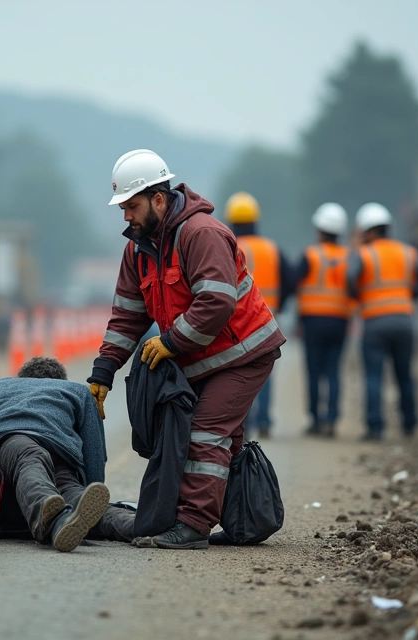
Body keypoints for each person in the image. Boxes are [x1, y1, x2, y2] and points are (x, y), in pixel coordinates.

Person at [88, 149, 286, 550]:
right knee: (222, 441)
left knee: (205, 436)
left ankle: (192, 527)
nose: (126, 216)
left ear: (158, 199)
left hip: (242, 353)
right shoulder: (139, 250)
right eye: (122, 207)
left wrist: (171, 341)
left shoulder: (201, 233)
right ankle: (242, 520)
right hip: (204, 359)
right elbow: (127, 316)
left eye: (131, 206)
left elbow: (217, 301)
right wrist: (103, 372)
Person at [0, 357, 135, 551]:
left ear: (21, 378)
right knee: (63, 484)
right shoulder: (78, 391)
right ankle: (143, 526)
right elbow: (95, 453)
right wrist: (92, 485)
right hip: (36, 452)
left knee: (79, 501)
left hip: (9, 465)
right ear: (60, 380)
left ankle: (63, 520)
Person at [347, 202, 418, 441]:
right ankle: (409, 424)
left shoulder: (364, 253)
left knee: (374, 377)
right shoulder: (407, 251)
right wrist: (411, 295)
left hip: (375, 322)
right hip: (404, 322)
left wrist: (360, 297)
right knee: (404, 375)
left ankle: (375, 427)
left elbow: (350, 278)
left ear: (368, 231)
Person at [224, 191, 289, 439]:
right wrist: (281, 303)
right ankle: (265, 421)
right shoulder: (272, 249)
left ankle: (244, 421)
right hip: (268, 316)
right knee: (265, 369)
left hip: (236, 318)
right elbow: (289, 278)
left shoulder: (227, 245)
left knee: (240, 370)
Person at [292, 203, 354, 437]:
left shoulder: (310, 255)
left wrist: (297, 319)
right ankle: (332, 419)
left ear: (319, 229)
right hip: (340, 320)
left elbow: (294, 283)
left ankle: (316, 420)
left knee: (314, 372)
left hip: (313, 320)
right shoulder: (349, 256)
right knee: (333, 371)